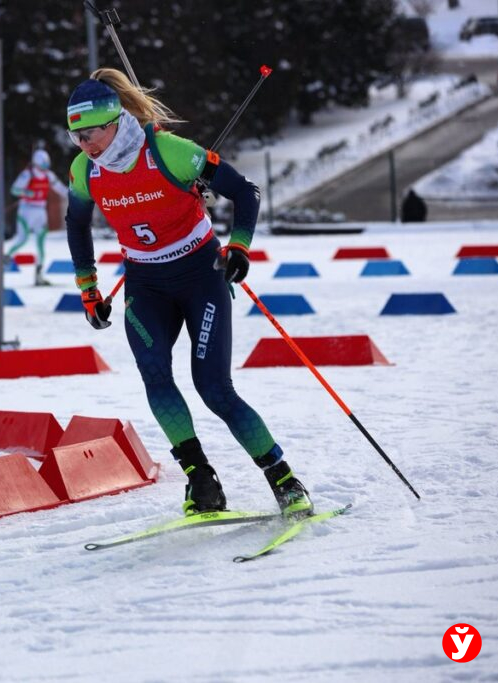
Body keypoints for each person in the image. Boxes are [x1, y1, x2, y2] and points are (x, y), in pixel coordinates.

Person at [64, 68, 313, 517]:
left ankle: (283, 477)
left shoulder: (167, 151)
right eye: (75, 136)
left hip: (201, 275)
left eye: (91, 133)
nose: (85, 146)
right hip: (145, 284)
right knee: (155, 377)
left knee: (214, 387)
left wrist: (238, 247)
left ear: (116, 121)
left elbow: (244, 192)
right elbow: (76, 223)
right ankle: (201, 479)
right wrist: (88, 289)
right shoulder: (85, 170)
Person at [7, 149, 68, 286]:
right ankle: (5, 258)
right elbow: (14, 189)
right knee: (22, 240)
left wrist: (74, 195)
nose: (45, 168)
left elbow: (60, 188)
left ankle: (39, 275)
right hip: (26, 211)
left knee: (41, 244)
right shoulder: (27, 174)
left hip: (40, 211)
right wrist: (25, 192)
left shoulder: (48, 175)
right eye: (43, 164)